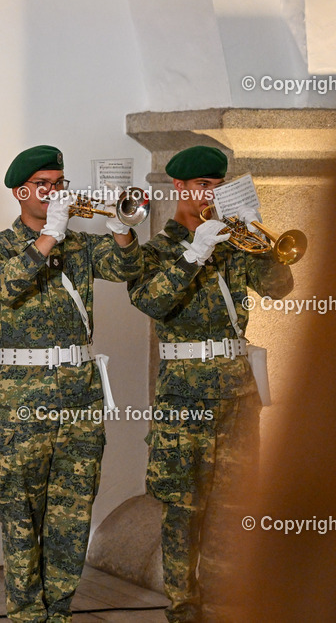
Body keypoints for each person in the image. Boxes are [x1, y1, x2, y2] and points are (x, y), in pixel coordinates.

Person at [0, 145, 142, 622]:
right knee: (21, 507)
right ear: (20, 191)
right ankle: (27, 613)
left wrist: (122, 226)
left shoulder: (82, 245)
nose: (53, 190)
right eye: (43, 183)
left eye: (59, 182)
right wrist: (49, 234)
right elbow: (6, 289)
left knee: (73, 507)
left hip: (80, 390)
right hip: (20, 393)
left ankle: (60, 610)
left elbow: (129, 270)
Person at [127, 145, 294, 622]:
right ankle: (183, 608)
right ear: (179, 188)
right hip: (184, 395)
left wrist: (259, 236)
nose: (211, 193)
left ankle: (224, 604)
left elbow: (280, 287)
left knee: (233, 501)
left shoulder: (235, 244)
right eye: (202, 186)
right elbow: (152, 302)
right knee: (183, 506)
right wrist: (194, 252)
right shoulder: (159, 250)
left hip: (238, 394)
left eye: (217, 185)